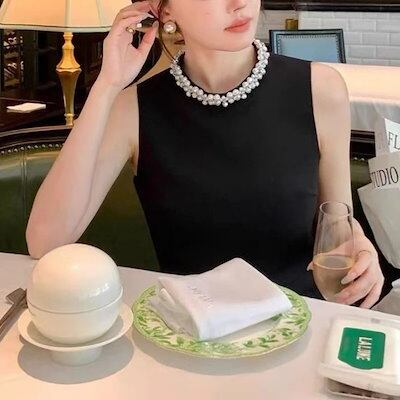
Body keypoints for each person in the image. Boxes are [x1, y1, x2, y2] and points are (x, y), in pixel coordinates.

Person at [26, 0, 384, 307]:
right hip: (189, 337)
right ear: (166, 11)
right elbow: (45, 241)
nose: (239, 3)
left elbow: (337, 221)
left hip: (299, 325)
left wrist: (359, 245)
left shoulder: (321, 89)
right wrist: (106, 86)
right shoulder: (134, 108)